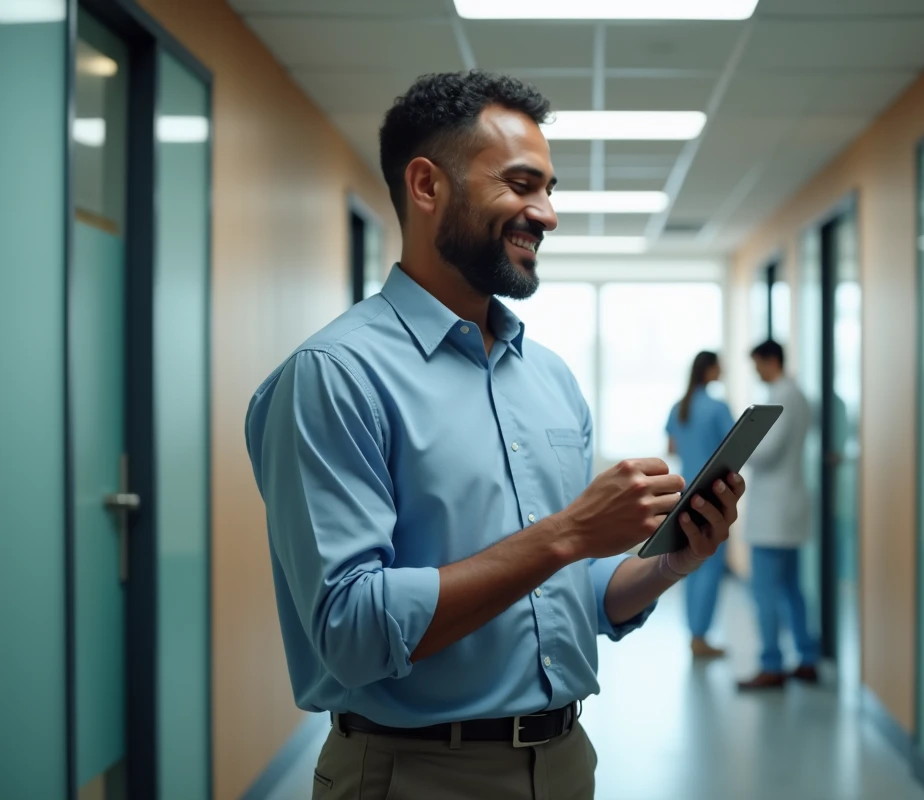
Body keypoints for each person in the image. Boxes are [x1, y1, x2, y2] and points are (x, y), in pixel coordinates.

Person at [243, 71, 747, 800]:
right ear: (427, 186)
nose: (546, 213)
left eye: (549, 189)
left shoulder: (549, 380)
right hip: (414, 774)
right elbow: (350, 630)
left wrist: (671, 562)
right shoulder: (334, 377)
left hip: (567, 762)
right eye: (520, 185)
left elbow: (578, 596)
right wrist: (569, 532)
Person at [737, 339, 821, 690]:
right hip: (789, 506)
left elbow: (767, 452)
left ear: (771, 361)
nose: (756, 371)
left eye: (757, 364)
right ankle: (807, 657)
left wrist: (740, 442)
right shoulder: (798, 394)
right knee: (791, 588)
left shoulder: (781, 396)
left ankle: (771, 664)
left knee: (765, 591)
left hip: (775, 511)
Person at [665, 351, 736, 659]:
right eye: (720, 366)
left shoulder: (679, 408)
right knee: (709, 568)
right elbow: (734, 448)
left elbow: (671, 447)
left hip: (683, 494)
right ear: (709, 370)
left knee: (690, 566)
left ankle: (693, 634)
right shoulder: (718, 407)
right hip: (712, 497)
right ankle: (701, 636)